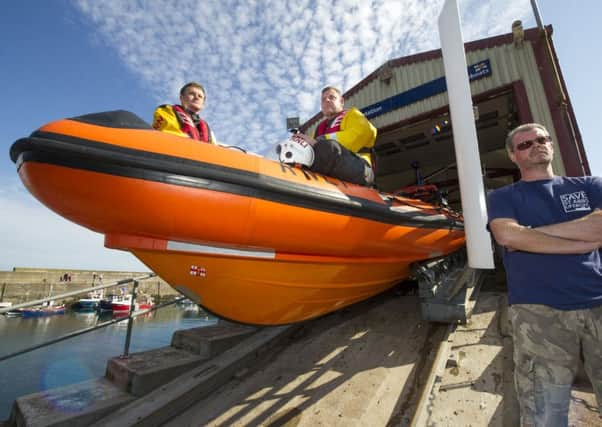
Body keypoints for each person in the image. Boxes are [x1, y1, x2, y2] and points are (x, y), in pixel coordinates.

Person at [487, 123, 602, 426]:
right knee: (545, 414)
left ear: (551, 145)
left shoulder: (590, 185)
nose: (536, 144)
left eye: (542, 139)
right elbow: (508, 237)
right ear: (513, 155)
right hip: (537, 312)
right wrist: (582, 240)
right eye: (525, 144)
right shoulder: (503, 197)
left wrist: (533, 237)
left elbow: (599, 228)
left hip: (598, 302)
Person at [294, 86, 376, 186]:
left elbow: (364, 133)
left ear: (341, 101)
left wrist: (320, 141)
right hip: (330, 169)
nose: (327, 100)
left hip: (360, 168)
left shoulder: (352, 114)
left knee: (328, 148)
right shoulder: (319, 128)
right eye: (323, 99)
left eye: (331, 97)